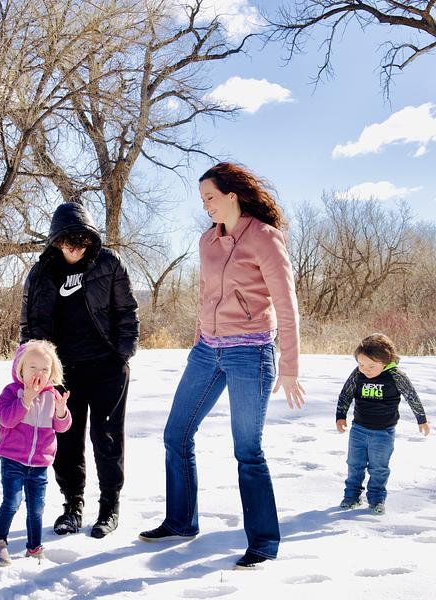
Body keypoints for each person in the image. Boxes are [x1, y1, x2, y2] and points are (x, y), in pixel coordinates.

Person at [139, 162, 305, 569]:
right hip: (207, 351)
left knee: (247, 450)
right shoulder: (207, 240)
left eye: (210, 197)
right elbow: (205, 293)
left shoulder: (265, 238)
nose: (206, 205)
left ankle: (263, 542)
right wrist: (200, 339)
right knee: (176, 434)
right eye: (202, 200)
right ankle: (181, 521)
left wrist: (290, 365)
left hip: (250, 353)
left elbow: (286, 305)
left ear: (233, 195)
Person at [20, 202, 139, 539]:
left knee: (106, 437)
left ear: (90, 239)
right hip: (62, 373)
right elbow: (29, 325)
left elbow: (127, 311)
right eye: (67, 241)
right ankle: (72, 506)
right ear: (55, 240)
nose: (74, 248)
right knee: (66, 438)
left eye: (81, 241)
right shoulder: (40, 273)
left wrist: (122, 354)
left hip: (106, 368)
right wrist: (31, 369)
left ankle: (109, 507)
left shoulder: (109, 263)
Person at [0, 340, 72, 566]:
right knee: (11, 502)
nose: (38, 373)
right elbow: (6, 419)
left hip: (40, 463)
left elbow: (62, 427)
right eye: (33, 367)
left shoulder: (52, 396)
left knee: (36, 508)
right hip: (13, 460)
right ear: (21, 368)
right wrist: (25, 399)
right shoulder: (11, 392)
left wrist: (61, 411)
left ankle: (34, 548)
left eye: (45, 369)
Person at [336, 333, 429, 515]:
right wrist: (340, 415)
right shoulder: (358, 374)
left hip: (383, 433)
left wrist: (421, 419)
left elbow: (411, 396)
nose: (366, 370)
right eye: (361, 364)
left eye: (371, 366)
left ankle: (377, 499)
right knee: (354, 464)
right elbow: (346, 393)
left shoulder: (396, 376)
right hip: (358, 430)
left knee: (378, 468)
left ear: (385, 361)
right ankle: (351, 496)